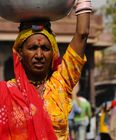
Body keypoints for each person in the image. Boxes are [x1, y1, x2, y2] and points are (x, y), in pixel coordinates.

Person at [0, 0, 93, 139]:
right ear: (19, 53)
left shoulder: (61, 84)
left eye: (45, 48)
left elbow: (82, 33)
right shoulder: (5, 92)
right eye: (32, 48)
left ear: (53, 53)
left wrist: (83, 1)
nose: (39, 55)